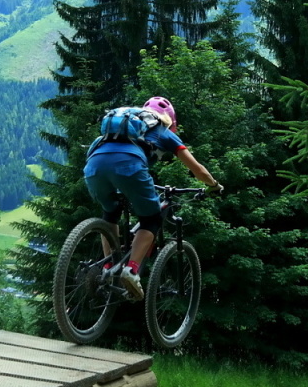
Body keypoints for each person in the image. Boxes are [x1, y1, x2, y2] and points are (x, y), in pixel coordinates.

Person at [83, 96, 222, 299]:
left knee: (110, 214)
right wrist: (214, 186)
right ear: (170, 120)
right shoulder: (163, 132)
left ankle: (108, 265)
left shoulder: (116, 128)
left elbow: (94, 151)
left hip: (93, 167)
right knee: (151, 219)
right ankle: (130, 271)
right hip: (130, 166)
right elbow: (198, 170)